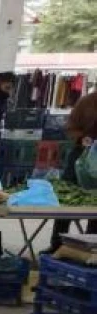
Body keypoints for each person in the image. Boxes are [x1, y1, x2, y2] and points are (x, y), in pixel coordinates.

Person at [49, 92, 97, 252]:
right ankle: (57, 245)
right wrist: (82, 138)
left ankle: (90, 247)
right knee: (67, 200)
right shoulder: (87, 102)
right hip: (80, 156)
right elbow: (71, 127)